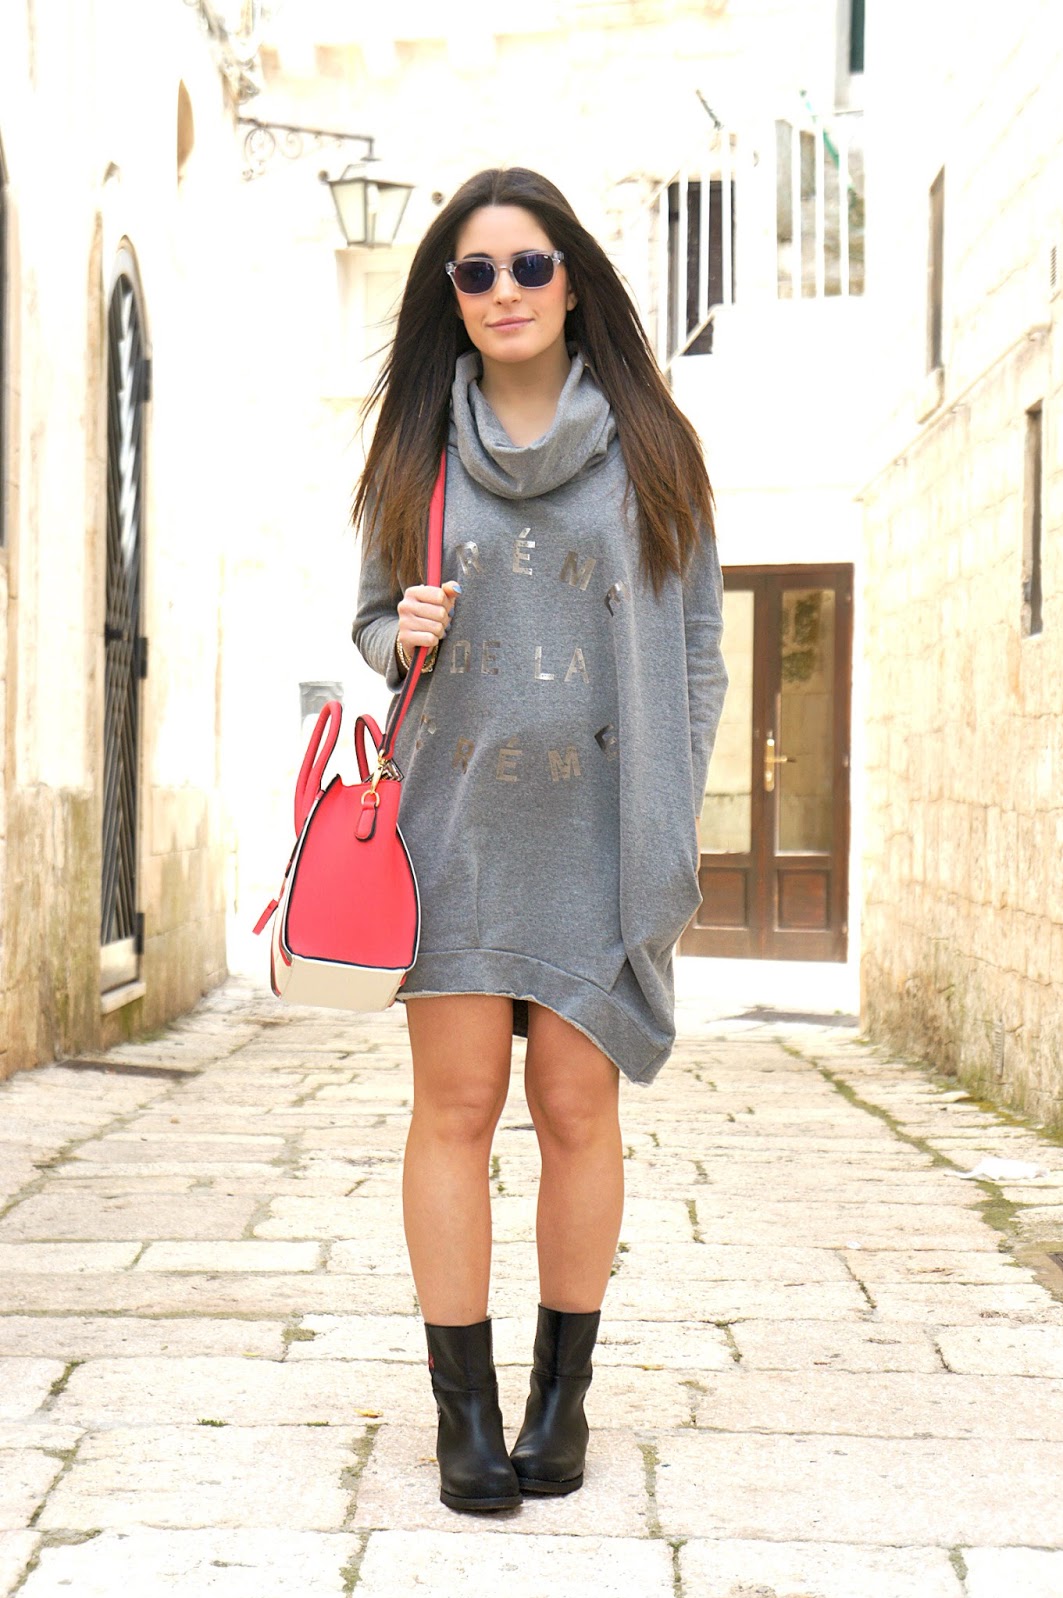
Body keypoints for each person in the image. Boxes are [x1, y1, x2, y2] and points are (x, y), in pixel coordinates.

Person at [351, 166, 727, 1514]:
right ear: (450, 298)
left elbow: (697, 650)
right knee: (454, 1112)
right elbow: (371, 623)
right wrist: (400, 631)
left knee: (577, 1110)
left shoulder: (655, 447)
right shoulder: (415, 452)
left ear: (572, 281)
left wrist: (667, 820)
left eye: (527, 265)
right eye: (475, 272)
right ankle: (463, 1415)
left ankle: (563, 1401)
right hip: (454, 829)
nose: (502, 290)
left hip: (600, 832)